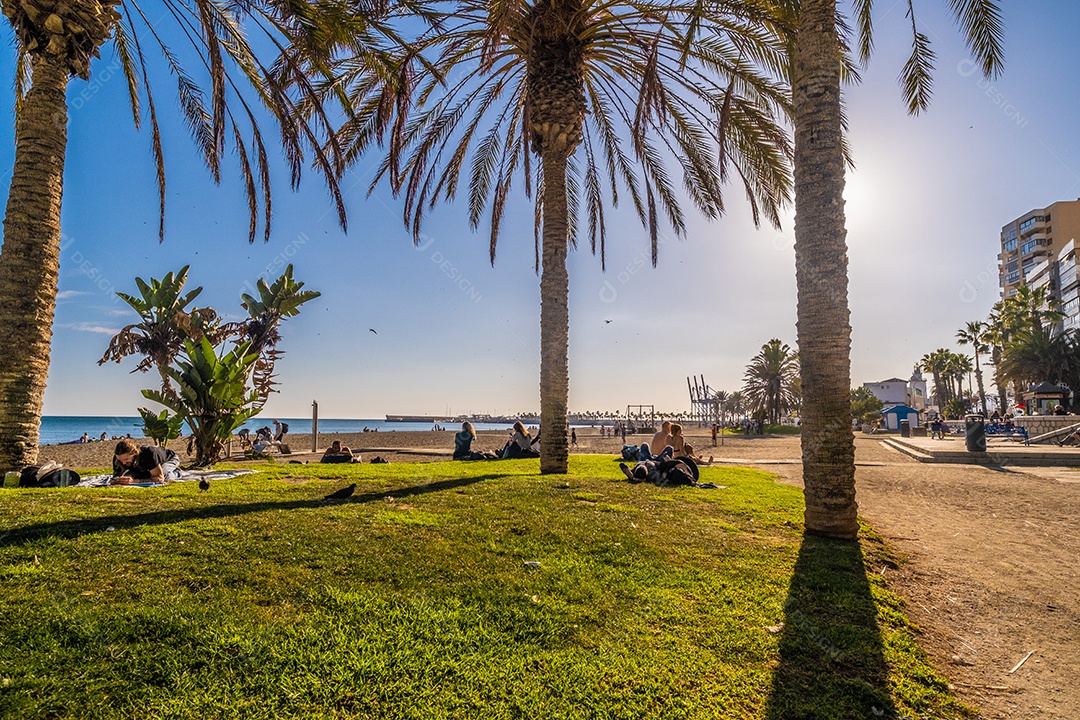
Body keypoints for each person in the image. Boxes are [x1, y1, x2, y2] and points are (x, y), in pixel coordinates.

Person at [113, 438, 181, 484]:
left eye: (126, 459)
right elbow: (116, 475)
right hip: (145, 466)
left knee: (166, 476)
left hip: (169, 459)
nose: (124, 463)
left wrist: (135, 481)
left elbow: (159, 478)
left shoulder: (148, 454)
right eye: (120, 460)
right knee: (137, 474)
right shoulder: (118, 459)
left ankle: (177, 472)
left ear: (135, 453)